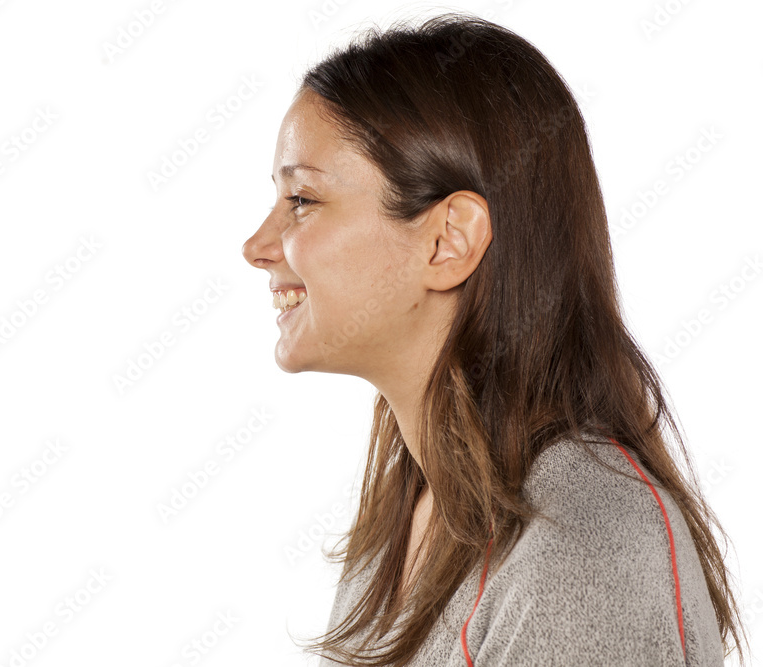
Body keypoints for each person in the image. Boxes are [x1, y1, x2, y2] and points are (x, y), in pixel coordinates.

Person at [240, 11, 748, 667]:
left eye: (302, 200)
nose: (256, 246)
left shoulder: (587, 545)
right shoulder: (405, 517)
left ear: (448, 240)